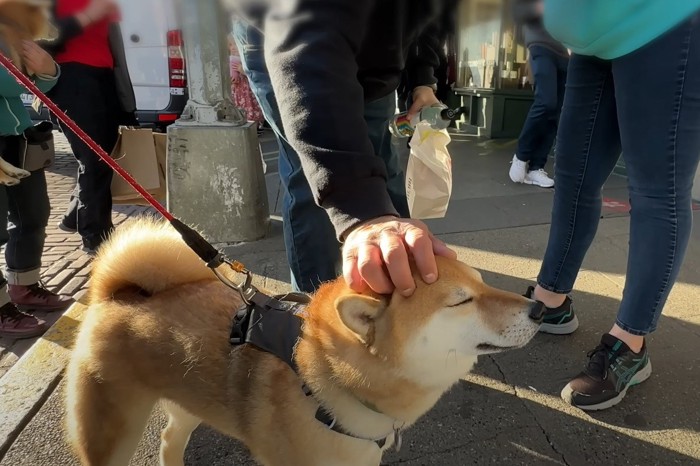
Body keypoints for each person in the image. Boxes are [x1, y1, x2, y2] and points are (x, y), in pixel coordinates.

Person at [525, 1, 700, 410]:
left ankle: (630, 342)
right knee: (573, 176)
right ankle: (553, 302)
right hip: (593, 36)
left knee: (656, 192)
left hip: (666, 19)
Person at [231, 2, 451, 293]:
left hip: (376, 60)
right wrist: (361, 208)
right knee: (315, 180)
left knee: (384, 173)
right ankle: (316, 311)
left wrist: (423, 78)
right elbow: (304, 47)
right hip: (286, 41)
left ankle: (399, 291)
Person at [42, 0, 136, 255]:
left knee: (102, 158)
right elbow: (41, 36)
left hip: (104, 79)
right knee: (95, 160)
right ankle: (97, 238)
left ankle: (75, 216)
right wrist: (87, 16)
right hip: (71, 78)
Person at [0, 39, 73, 339]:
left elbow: (41, 80)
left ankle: (24, 284)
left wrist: (47, 70)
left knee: (33, 213)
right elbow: (15, 81)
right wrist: (42, 70)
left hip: (15, 136)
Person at [508, 0, 569, 188]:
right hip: (540, 44)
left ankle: (536, 168)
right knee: (546, 102)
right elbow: (518, 11)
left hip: (565, 51)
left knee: (555, 111)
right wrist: (538, 8)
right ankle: (521, 156)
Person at [227, 34, 265, 134]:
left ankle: (255, 125)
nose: (233, 47)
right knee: (238, 106)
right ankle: (240, 124)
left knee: (251, 107)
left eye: (235, 44)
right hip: (237, 90)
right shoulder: (229, 60)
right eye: (231, 45)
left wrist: (242, 70)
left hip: (248, 91)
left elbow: (255, 73)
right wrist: (230, 79)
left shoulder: (247, 59)